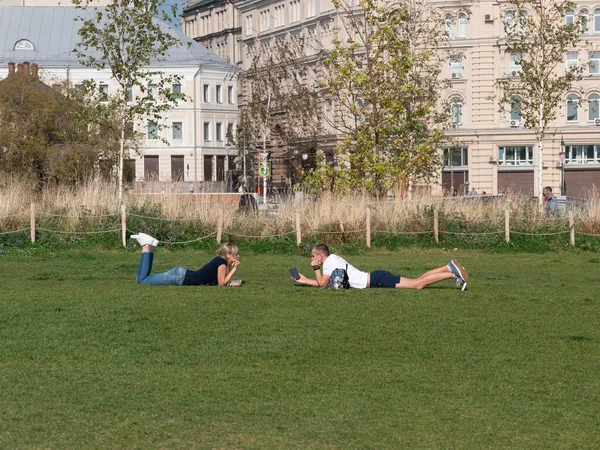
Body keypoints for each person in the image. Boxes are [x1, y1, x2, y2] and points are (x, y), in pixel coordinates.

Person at [293, 244, 468, 291]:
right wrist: (304, 280)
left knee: (418, 285)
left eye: (313, 257)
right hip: (377, 278)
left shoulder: (329, 262)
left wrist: (315, 269)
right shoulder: (333, 259)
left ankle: (452, 274)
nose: (312, 259)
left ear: (320, 256)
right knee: (418, 281)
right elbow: (324, 282)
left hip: (377, 280)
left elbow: (324, 284)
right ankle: (447, 267)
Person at [131, 233, 240, 286]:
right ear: (229, 255)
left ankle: (149, 249)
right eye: (235, 254)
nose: (237, 256)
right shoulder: (221, 264)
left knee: (141, 279)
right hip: (180, 278)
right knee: (142, 281)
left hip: (181, 273)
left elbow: (223, 279)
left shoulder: (220, 261)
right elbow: (221, 283)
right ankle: (146, 247)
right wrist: (234, 269)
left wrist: (230, 277)